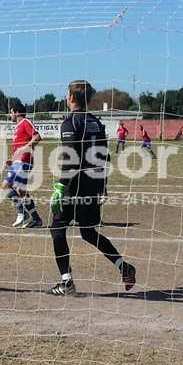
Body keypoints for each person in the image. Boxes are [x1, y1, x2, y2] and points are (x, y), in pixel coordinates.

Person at [48, 80, 136, 296]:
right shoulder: (96, 122)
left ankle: (66, 282)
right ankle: (123, 266)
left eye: (67, 94)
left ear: (71, 97)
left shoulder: (70, 122)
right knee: (88, 231)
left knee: (57, 228)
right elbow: (105, 156)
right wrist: (103, 185)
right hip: (94, 183)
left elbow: (71, 158)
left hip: (75, 184)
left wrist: (60, 186)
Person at [3, 103, 43, 228]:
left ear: (17, 113)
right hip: (18, 161)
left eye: (11, 112)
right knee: (21, 191)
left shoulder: (25, 122)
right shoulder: (18, 126)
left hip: (24, 161)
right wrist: (12, 159)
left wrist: (25, 148)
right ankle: (36, 219)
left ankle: (22, 212)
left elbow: (37, 137)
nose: (10, 115)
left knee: (6, 186)